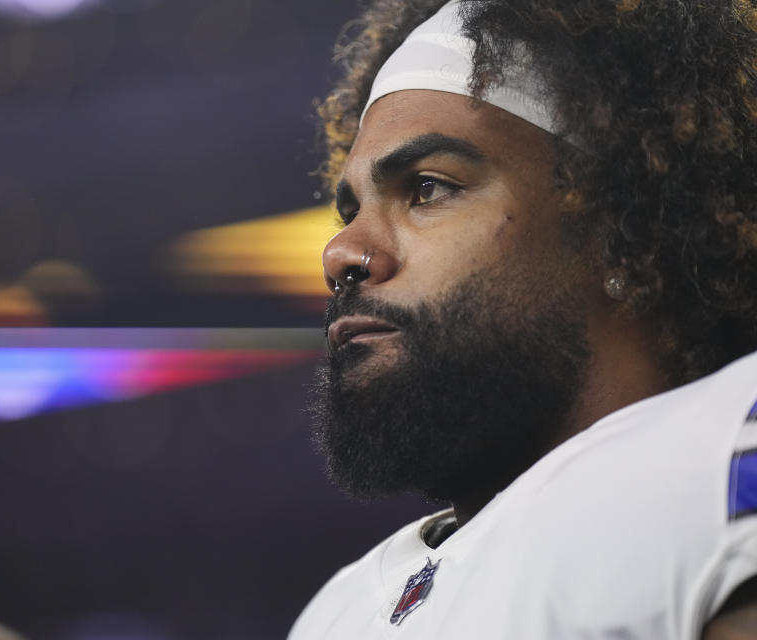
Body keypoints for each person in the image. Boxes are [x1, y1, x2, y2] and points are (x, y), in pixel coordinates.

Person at [291, 0, 757, 638]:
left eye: (427, 187)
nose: (341, 252)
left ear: (622, 232)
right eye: (350, 213)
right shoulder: (335, 613)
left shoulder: (725, 452)